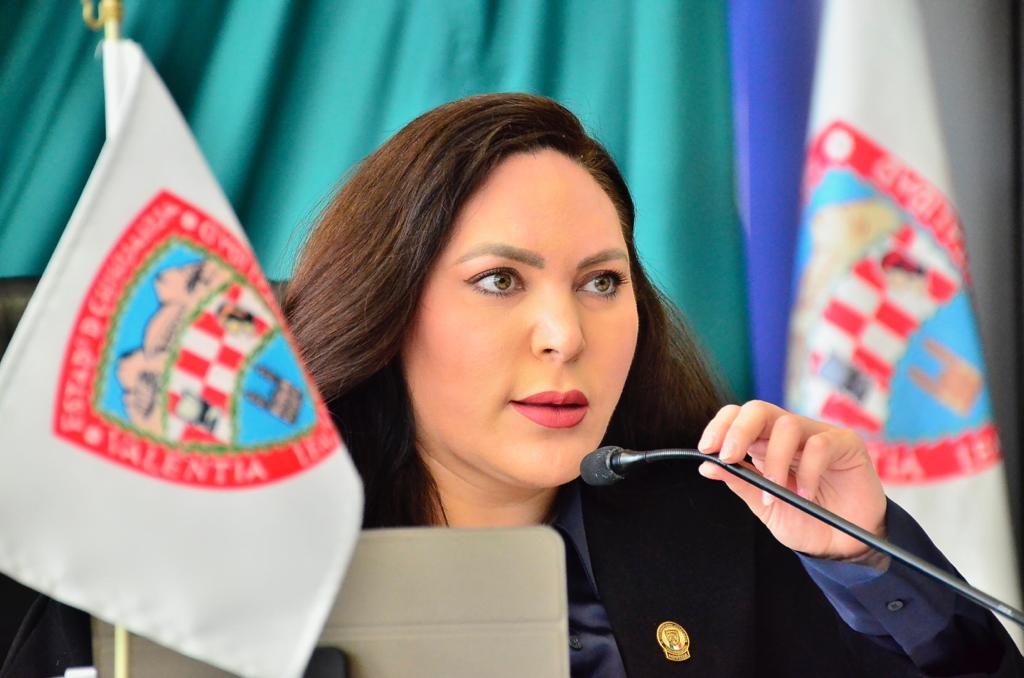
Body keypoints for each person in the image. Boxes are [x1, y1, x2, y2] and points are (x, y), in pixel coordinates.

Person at [3, 93, 1020, 677]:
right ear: (388, 306)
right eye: (499, 280)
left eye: (602, 283)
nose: (564, 335)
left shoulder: (725, 524)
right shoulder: (194, 538)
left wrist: (858, 553)